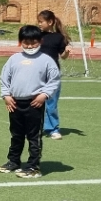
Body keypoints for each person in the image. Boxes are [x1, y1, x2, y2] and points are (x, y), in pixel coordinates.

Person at [0, 25, 60, 179]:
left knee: (33, 136)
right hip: (15, 104)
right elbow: (4, 79)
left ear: (40, 41)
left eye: (33, 42)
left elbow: (54, 80)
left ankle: (33, 166)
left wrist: (44, 95)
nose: (30, 46)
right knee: (16, 134)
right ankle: (13, 161)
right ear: (20, 42)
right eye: (26, 42)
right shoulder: (14, 59)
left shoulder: (46, 60)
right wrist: (6, 96)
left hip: (34, 104)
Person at [36, 9, 72, 140]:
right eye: (38, 22)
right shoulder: (36, 35)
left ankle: (53, 129)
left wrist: (66, 52)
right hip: (37, 74)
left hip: (53, 75)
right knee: (35, 103)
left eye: (41, 22)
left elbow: (63, 56)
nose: (39, 24)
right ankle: (35, 128)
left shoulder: (59, 37)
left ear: (50, 22)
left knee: (51, 104)